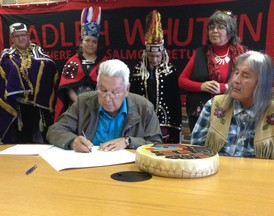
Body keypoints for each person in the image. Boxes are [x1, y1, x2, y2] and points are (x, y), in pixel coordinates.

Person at [47, 59, 163, 152]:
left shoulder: (144, 108)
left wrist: (128, 141)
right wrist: (72, 141)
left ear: (127, 89)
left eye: (115, 92)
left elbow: (156, 144)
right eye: (103, 90)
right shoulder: (83, 102)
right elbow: (55, 130)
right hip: (89, 169)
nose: (107, 98)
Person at [191, 51, 274, 160]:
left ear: (262, 83)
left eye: (245, 76)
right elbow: (196, 152)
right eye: (236, 73)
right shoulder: (215, 106)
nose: (235, 80)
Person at [178, 10, 247, 132]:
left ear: (230, 31)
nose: (214, 31)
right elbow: (182, 81)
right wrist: (202, 86)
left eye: (220, 27)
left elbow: (250, 83)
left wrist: (224, 88)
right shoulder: (200, 53)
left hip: (233, 113)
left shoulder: (243, 54)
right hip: (201, 115)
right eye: (211, 27)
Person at [0, 22, 59, 144]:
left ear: (28, 36)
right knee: (22, 139)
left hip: (40, 105)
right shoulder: (6, 56)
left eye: (23, 35)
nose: (21, 38)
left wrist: (31, 70)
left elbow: (50, 66)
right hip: (18, 105)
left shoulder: (38, 52)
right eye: (17, 36)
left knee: (43, 139)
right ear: (12, 39)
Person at [130, 10, 182, 143]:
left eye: (157, 56)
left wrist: (175, 124)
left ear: (163, 54)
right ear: (146, 54)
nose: (154, 59)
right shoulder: (137, 71)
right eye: (151, 56)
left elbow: (175, 100)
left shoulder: (170, 71)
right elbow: (133, 97)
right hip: (143, 119)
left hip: (165, 121)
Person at [54, 6, 108, 121]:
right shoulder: (72, 62)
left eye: (94, 41)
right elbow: (67, 88)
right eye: (87, 40)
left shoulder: (104, 63)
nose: (91, 44)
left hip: (99, 106)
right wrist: (79, 102)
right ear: (81, 42)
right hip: (77, 107)